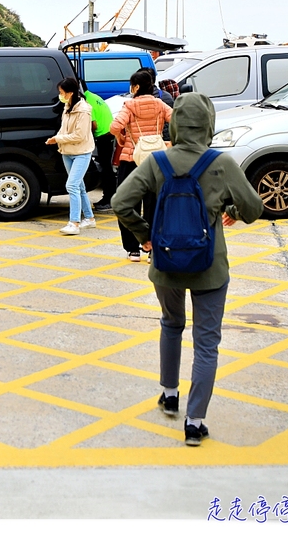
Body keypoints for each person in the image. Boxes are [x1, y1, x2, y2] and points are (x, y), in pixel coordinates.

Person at [112, 92, 264, 446]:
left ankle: (169, 393)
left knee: (171, 324)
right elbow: (254, 208)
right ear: (209, 125)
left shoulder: (157, 162)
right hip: (210, 266)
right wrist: (232, 209)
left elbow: (120, 201)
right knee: (207, 342)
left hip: (165, 263)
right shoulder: (221, 163)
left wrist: (145, 235)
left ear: (175, 123)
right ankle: (195, 422)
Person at [110, 69, 175, 261]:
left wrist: (121, 137)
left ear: (136, 87)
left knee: (128, 202)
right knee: (153, 204)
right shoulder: (160, 104)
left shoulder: (129, 106)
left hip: (132, 159)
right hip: (155, 160)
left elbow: (114, 126)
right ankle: (152, 248)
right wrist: (169, 141)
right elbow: (177, 120)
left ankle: (133, 249)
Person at [46, 77, 95, 235]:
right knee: (79, 185)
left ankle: (74, 223)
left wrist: (58, 139)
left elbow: (79, 135)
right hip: (67, 151)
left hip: (81, 152)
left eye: (62, 92)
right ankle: (89, 218)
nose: (60, 95)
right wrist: (56, 138)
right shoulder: (67, 106)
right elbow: (63, 128)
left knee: (72, 185)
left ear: (71, 92)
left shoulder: (84, 110)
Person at [81, 80, 116, 212]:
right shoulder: (93, 96)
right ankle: (109, 197)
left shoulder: (87, 101)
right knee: (107, 167)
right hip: (108, 133)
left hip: (103, 136)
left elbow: (93, 124)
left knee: (106, 169)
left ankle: (109, 199)